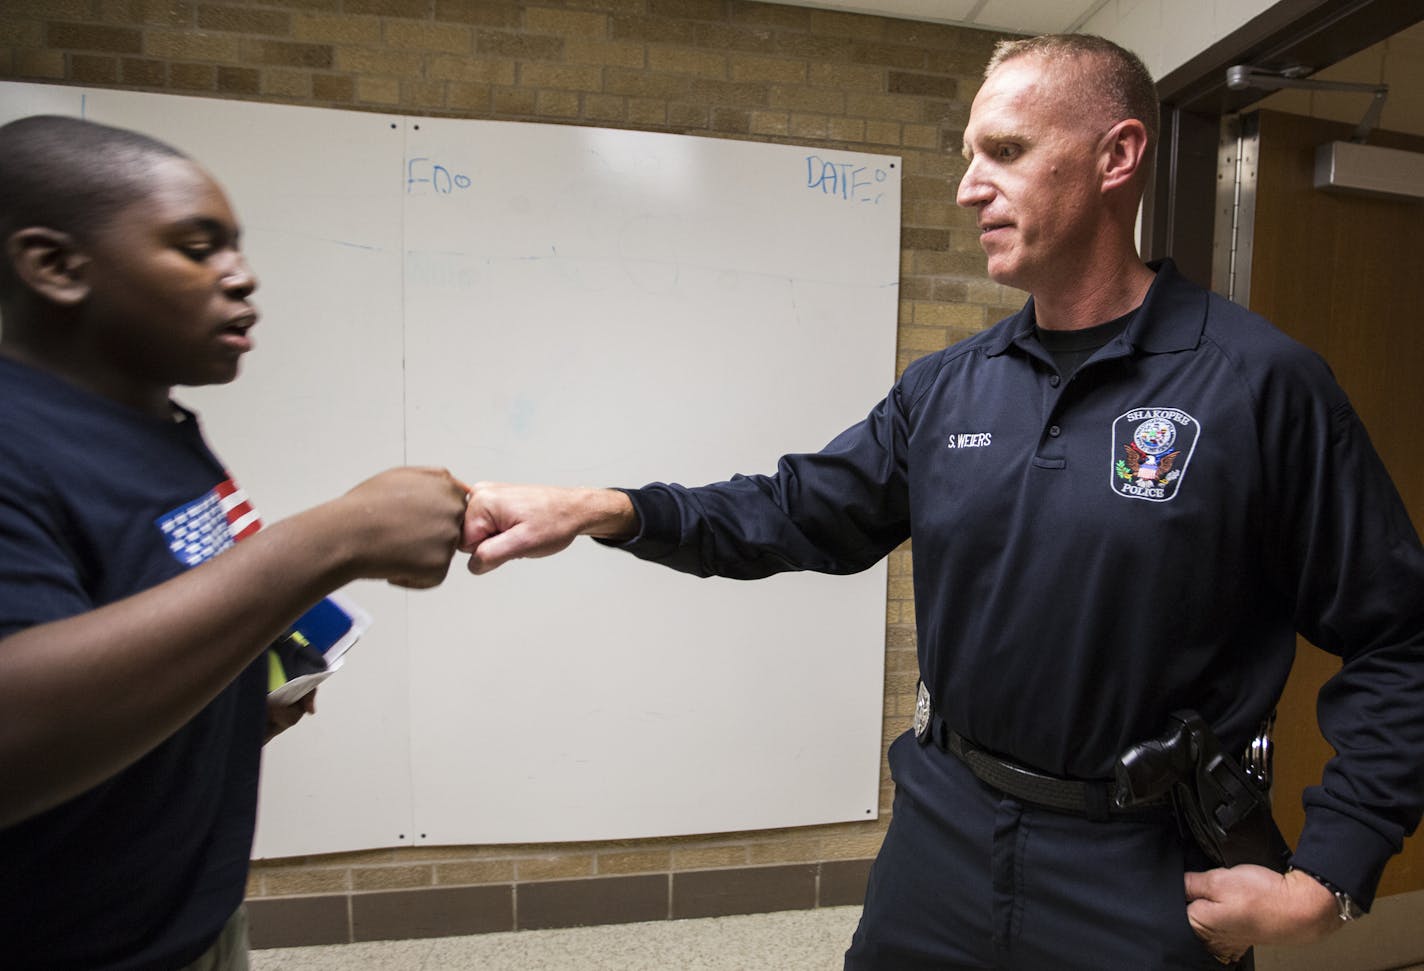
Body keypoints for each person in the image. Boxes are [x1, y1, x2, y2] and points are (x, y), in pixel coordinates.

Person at [458, 33, 1424, 970]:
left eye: (1004, 151)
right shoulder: (949, 388)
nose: (969, 187)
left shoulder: (1259, 386)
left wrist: (1328, 876)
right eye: (970, 157)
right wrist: (606, 509)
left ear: (1117, 156)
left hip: (1141, 867)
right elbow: (798, 511)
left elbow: (1399, 636)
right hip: (942, 839)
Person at [0, 115, 470, 970]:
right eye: (196, 246)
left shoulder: (157, 425)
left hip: (188, 918)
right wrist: (335, 538)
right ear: (55, 266)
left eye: (238, 247)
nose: (243, 276)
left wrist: (229, 712)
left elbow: (136, 624)